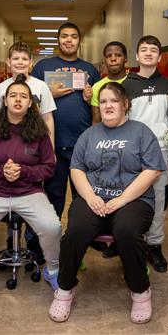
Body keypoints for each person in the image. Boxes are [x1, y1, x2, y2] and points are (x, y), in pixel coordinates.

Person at [48, 82, 166, 324]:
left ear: (125, 104)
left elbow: (152, 170)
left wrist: (121, 199)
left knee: (127, 232)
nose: (108, 106)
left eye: (113, 101)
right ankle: (64, 289)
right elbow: (76, 169)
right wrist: (91, 197)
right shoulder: (89, 134)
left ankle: (141, 291)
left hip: (134, 200)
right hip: (95, 198)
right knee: (75, 232)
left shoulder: (141, 132)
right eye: (103, 102)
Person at [0, 74, 61, 300]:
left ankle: (52, 270)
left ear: (30, 103)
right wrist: (1, 172)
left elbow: (49, 168)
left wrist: (23, 172)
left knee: (52, 226)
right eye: (13, 95)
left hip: (29, 192)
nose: (18, 100)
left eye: (23, 96)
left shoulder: (39, 133)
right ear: (4, 101)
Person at [0, 41, 57, 265]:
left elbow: (48, 118)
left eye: (24, 59)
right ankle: (12, 241)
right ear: (8, 62)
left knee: (32, 194)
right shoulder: (0, 89)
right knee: (10, 196)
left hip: (35, 153)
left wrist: (51, 150)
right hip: (7, 152)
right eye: (15, 59)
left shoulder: (40, 87)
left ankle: (32, 243)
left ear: (31, 63)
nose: (19, 63)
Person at [31, 22, 101, 219]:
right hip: (51, 142)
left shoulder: (89, 69)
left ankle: (82, 235)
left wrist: (89, 99)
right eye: (64, 36)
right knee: (54, 194)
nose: (69, 40)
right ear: (58, 40)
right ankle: (51, 235)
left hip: (82, 143)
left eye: (73, 36)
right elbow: (29, 102)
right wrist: (49, 94)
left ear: (79, 41)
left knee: (84, 194)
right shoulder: (42, 66)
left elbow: (99, 107)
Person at [122, 35, 168, 273]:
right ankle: (128, 241)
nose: (148, 53)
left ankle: (154, 245)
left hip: (161, 151)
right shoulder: (126, 85)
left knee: (158, 199)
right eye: (143, 49)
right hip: (132, 151)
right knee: (129, 196)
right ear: (137, 55)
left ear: (159, 56)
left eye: (153, 50)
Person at [91, 41, 129, 124]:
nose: (113, 59)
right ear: (104, 60)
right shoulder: (97, 87)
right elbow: (96, 121)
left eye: (118, 55)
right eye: (108, 56)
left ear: (125, 58)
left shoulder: (135, 82)